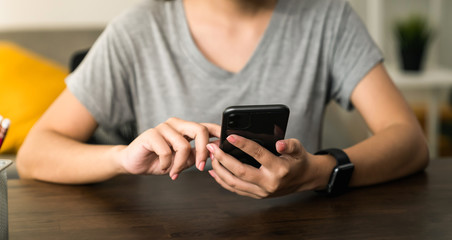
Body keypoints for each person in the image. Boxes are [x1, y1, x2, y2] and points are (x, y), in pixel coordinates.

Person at [17, 0, 429, 198]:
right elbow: (34, 154)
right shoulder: (137, 32)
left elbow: (409, 141)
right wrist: (121, 158)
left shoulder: (328, 18)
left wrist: (318, 171)